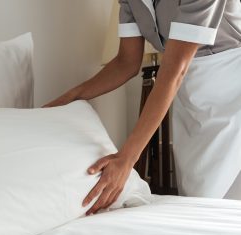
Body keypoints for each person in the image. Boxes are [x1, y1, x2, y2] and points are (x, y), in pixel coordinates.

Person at [43, 0, 241, 214]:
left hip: (232, 88)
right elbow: (126, 62)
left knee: (212, 203)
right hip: (190, 97)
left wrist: (127, 158)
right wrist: (71, 97)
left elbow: (174, 70)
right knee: (198, 202)